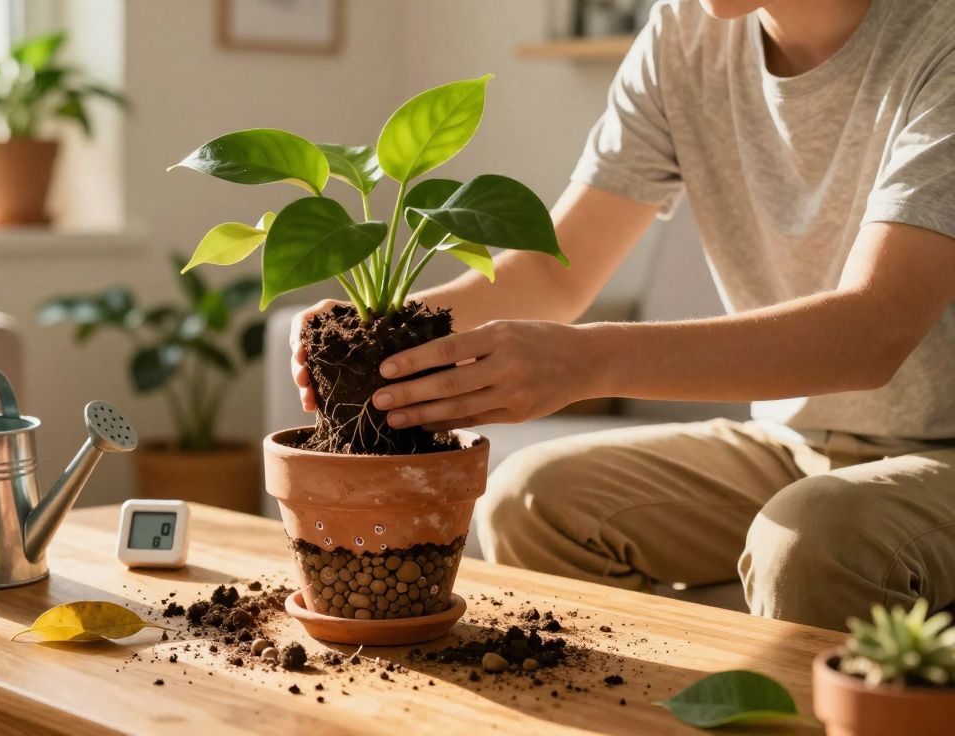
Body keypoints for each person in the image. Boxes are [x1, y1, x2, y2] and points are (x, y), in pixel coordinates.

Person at [290, 0, 955, 631]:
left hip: (940, 457)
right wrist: (375, 327)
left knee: (816, 537)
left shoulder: (938, 38)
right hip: (795, 445)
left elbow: (875, 331)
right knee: (530, 502)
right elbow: (552, 272)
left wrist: (589, 360)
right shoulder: (684, 36)